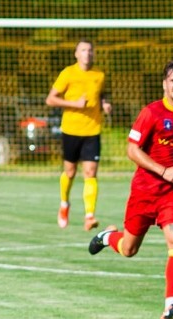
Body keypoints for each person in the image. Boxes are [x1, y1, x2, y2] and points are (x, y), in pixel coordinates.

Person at [88, 59, 173, 319]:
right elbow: (132, 150)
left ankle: (170, 307)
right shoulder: (150, 113)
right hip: (144, 192)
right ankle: (108, 237)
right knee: (129, 249)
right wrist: (162, 170)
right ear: (164, 84)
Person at [46, 38, 112, 231]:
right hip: (71, 130)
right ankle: (64, 204)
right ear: (76, 54)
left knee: (90, 172)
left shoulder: (99, 75)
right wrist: (74, 105)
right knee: (70, 172)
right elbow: (50, 99)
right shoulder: (68, 73)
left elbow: (101, 94)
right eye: (83, 50)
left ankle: (89, 216)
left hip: (92, 130)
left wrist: (104, 103)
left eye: (90, 50)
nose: (87, 54)